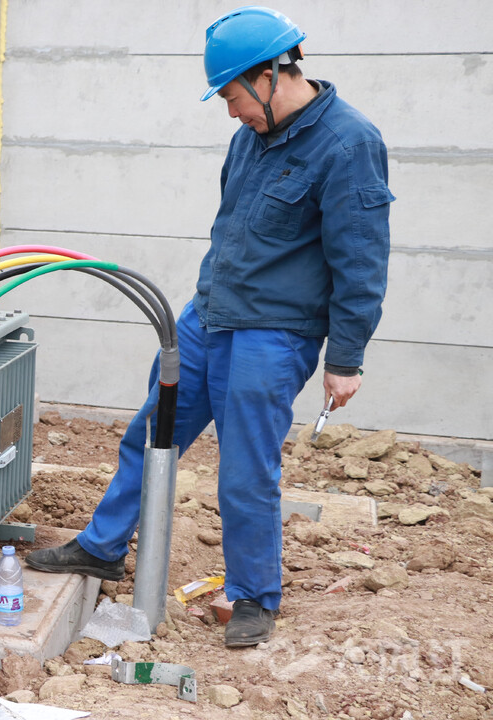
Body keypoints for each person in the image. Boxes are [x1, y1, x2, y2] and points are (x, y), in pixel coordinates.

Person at [27, 6, 393, 648]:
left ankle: (253, 594)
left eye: (232, 97)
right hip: (208, 316)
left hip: (273, 334)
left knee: (246, 469)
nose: (231, 113)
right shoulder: (251, 136)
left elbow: (361, 259)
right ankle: (103, 547)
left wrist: (346, 357)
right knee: (151, 434)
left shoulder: (348, 144)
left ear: (270, 75)